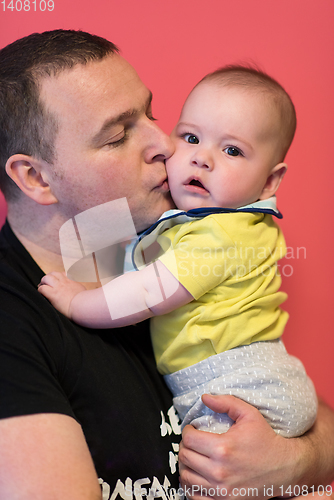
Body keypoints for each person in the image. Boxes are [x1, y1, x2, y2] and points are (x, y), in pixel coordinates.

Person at [0, 29, 333, 500]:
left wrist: (296, 461)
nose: (166, 144)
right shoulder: (13, 328)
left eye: (152, 115)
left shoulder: (156, 246)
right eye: (118, 136)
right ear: (35, 177)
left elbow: (303, 403)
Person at [39, 66, 317, 438]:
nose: (202, 158)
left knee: (213, 479)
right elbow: (115, 252)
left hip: (239, 388)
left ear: (269, 181)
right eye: (190, 137)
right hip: (255, 380)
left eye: (232, 150)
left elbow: (147, 292)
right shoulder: (195, 221)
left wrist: (77, 305)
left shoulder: (221, 233)